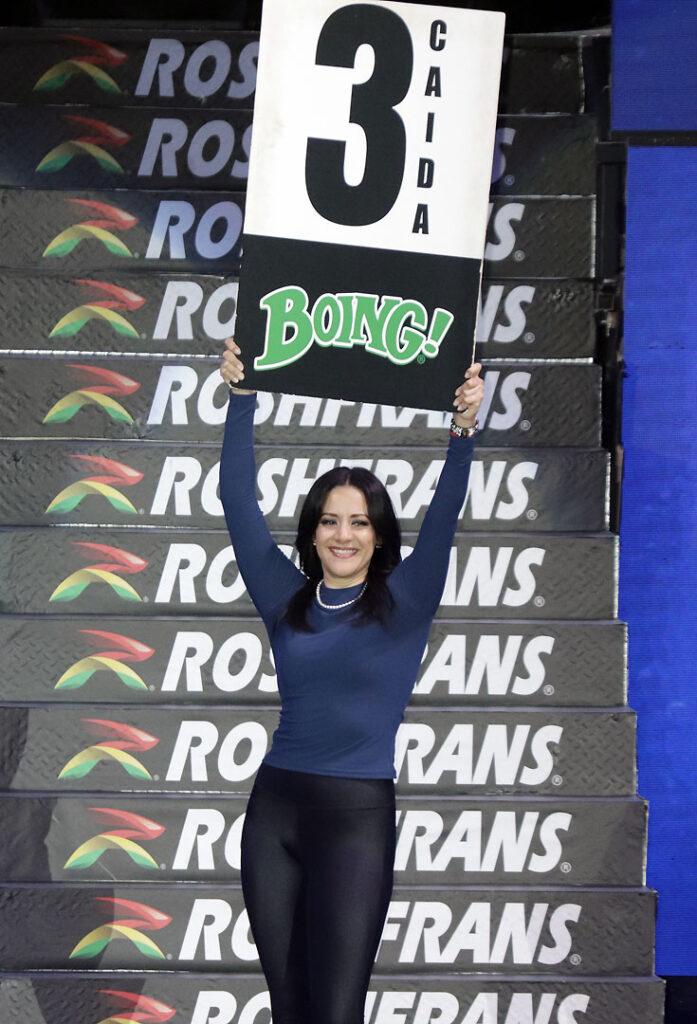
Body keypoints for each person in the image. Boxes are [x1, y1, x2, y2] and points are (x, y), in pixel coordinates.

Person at [219, 336, 484, 1024]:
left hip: (355, 823)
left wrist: (462, 430)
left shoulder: (407, 600)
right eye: (330, 521)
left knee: (336, 1014)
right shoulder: (284, 598)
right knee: (289, 1009)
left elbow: (444, 514)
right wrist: (241, 399)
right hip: (274, 814)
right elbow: (236, 502)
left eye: (359, 522)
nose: (343, 535)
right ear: (311, 533)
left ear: (379, 535)